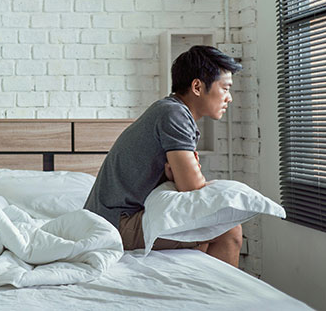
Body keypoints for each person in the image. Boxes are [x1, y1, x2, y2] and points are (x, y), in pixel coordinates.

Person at [84, 45, 244, 267]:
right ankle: (228, 301)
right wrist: (180, 178)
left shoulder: (169, 110)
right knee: (228, 230)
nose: (229, 98)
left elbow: (184, 184)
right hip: (114, 224)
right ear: (197, 86)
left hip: (109, 219)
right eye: (225, 88)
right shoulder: (174, 114)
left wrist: (174, 177)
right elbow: (192, 188)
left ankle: (203, 294)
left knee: (204, 238)